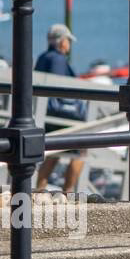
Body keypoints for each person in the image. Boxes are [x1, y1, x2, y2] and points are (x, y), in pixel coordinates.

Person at [34, 24, 86, 193]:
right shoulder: (58, 59)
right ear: (62, 42)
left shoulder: (43, 57)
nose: (69, 44)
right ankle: (68, 192)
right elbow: (61, 89)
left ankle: (39, 188)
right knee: (82, 150)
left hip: (47, 114)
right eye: (68, 40)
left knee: (54, 151)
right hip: (60, 114)